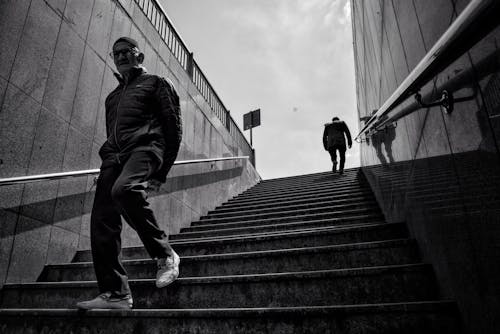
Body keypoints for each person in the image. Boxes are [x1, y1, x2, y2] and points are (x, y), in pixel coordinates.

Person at [76, 37, 182, 310]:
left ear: (140, 56)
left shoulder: (157, 83)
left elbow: (173, 127)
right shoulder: (112, 97)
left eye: (127, 52)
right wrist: (109, 159)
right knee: (102, 218)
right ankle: (116, 294)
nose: (121, 56)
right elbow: (112, 133)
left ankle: (165, 254)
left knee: (124, 190)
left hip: (147, 147)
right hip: (114, 157)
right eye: (116, 53)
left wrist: (163, 171)